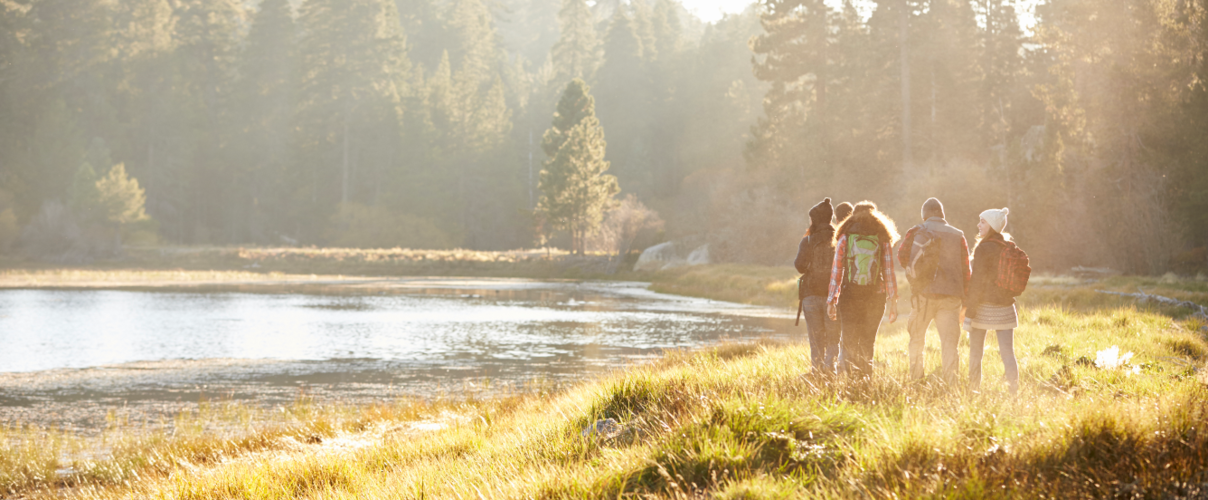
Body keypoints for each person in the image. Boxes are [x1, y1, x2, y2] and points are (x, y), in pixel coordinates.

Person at [899, 198, 971, 384]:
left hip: (923, 296)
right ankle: (951, 385)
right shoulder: (958, 235)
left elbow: (902, 257)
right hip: (951, 298)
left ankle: (916, 382)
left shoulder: (917, 231)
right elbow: (966, 269)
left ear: (924, 215)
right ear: (942, 214)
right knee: (949, 345)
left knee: (916, 340)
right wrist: (966, 301)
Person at [826, 201, 900, 374]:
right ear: (875, 216)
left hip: (849, 296)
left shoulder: (845, 235)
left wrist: (832, 300)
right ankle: (866, 380)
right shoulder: (882, 237)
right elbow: (889, 272)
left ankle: (852, 384)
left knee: (850, 341)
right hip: (875, 296)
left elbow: (837, 271)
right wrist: (894, 302)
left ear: (853, 216)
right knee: (868, 342)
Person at [964, 207, 1019, 394]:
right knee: (1008, 353)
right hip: (1005, 307)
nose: (978, 225)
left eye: (982, 222)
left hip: (983, 308)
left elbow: (977, 282)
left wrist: (969, 312)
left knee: (975, 353)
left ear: (992, 226)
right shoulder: (1008, 247)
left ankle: (973, 391)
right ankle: (1014, 392)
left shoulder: (983, 249)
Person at [794, 198, 840, 373]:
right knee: (833, 336)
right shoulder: (839, 239)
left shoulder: (807, 241)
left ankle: (817, 372)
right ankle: (831, 370)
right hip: (834, 295)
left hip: (811, 295)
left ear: (815, 219)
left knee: (816, 338)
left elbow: (799, 266)